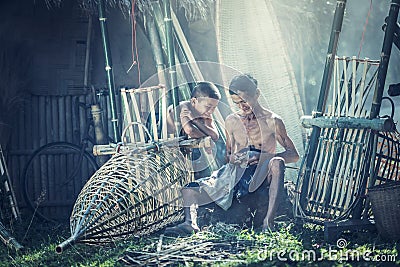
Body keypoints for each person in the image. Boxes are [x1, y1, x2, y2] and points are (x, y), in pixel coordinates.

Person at [164, 74, 299, 235]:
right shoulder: (232, 120)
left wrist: (265, 157)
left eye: (244, 100)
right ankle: (190, 223)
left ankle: (268, 222)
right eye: (236, 103)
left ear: (256, 94)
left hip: (263, 170)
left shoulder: (273, 120)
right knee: (190, 189)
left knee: (277, 162)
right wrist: (233, 158)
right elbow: (227, 156)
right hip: (237, 172)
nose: (241, 106)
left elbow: (294, 155)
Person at [166, 82, 221, 178]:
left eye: (214, 107)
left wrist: (195, 121)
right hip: (167, 144)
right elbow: (190, 130)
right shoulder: (184, 107)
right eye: (208, 107)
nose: (211, 111)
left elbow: (215, 136)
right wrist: (207, 138)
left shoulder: (206, 113)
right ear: (194, 101)